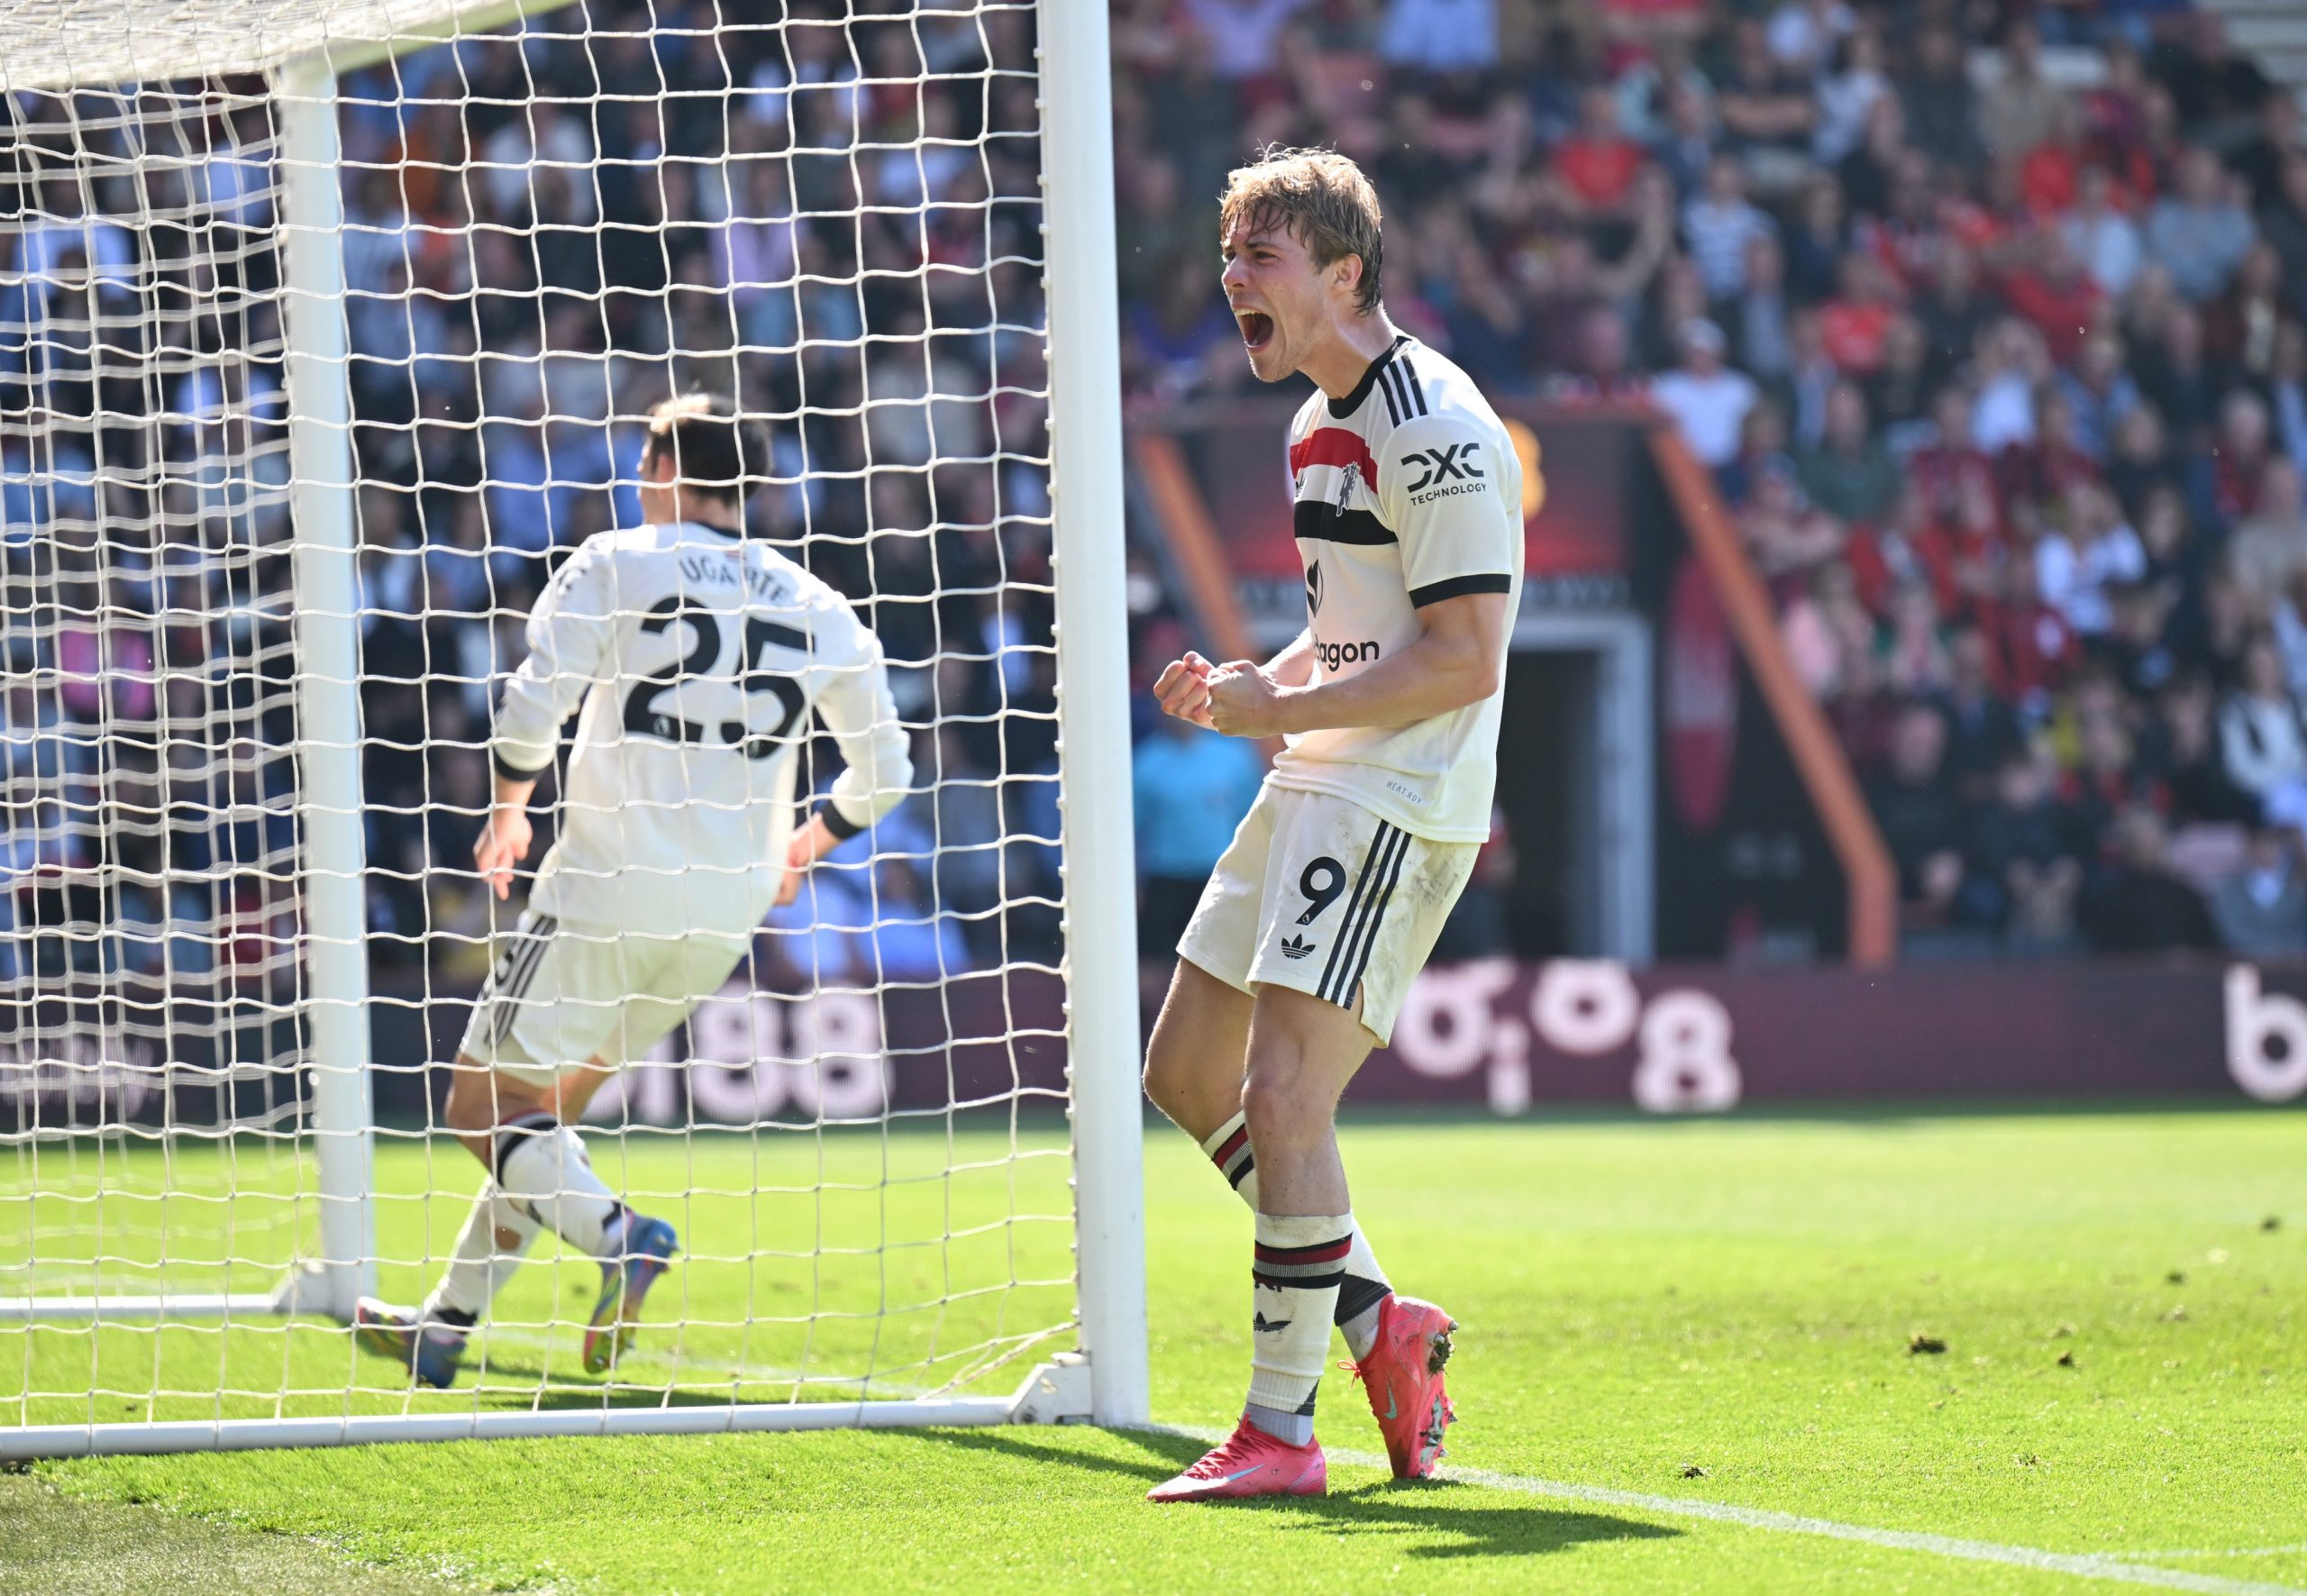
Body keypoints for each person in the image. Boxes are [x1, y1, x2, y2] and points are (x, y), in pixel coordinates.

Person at [352, 393, 911, 1388]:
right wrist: (807, 842)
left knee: (483, 1106)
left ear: (663, 466)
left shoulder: (618, 560)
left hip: (608, 885)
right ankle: (445, 1323)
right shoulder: (818, 603)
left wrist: (509, 807)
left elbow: (534, 703)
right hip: (723, 914)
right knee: (540, 1125)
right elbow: (888, 774)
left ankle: (623, 1239)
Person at [1139, 148, 1522, 1502]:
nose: (1231, 278)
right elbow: (1352, 633)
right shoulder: (1313, 424)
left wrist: (1284, 710)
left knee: (1283, 1095)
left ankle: (1281, 1429)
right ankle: (1378, 1320)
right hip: (1316, 775)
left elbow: (1464, 659)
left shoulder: (1436, 426)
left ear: (1346, 274)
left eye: (1262, 257)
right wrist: (1258, 688)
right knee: (1186, 1073)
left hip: (1397, 796)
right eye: (1228, 255)